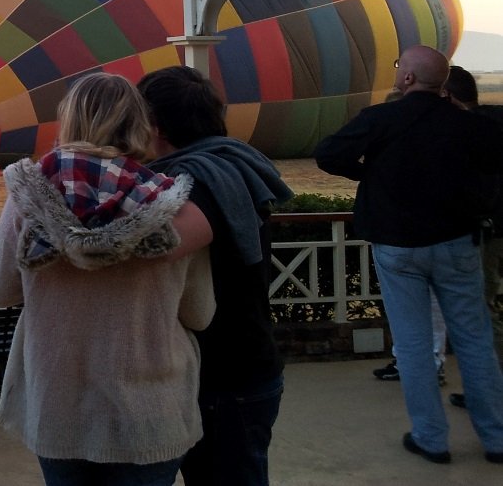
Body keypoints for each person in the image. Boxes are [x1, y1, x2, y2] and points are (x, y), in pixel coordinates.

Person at [0, 72, 215, 486]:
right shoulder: (171, 205)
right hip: (151, 412)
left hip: (57, 406)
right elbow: (200, 314)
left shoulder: (28, 197)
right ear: (140, 124)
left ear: (68, 121)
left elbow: (1, 291)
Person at [314, 44, 503, 465]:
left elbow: (328, 153)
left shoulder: (381, 119)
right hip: (456, 244)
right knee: (474, 340)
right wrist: (464, 115)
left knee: (414, 345)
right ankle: (496, 438)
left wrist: (368, 172)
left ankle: (431, 438)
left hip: (398, 247)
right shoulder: (464, 123)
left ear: (407, 79)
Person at [138, 66, 293, 486]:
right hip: (244, 365)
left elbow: (145, 250)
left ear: (153, 124)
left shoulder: (200, 182)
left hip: (223, 377)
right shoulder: (233, 165)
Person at [442, 64, 503, 411]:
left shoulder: (465, 132)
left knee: (481, 313)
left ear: (447, 96)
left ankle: (489, 391)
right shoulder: (495, 121)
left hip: (488, 234)